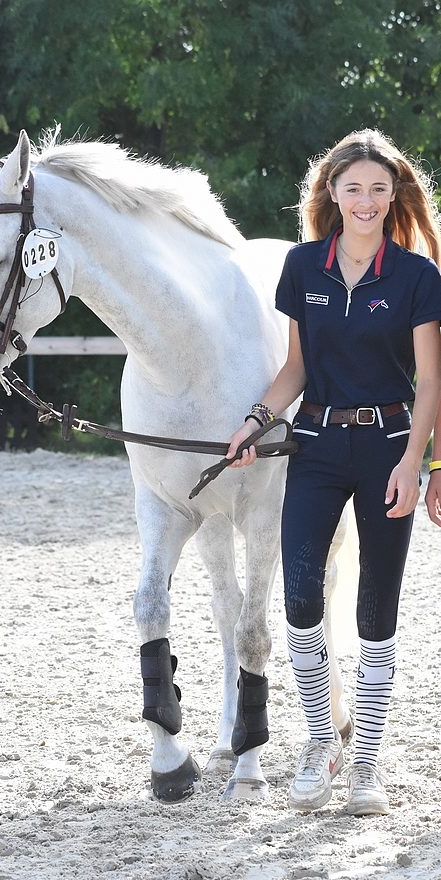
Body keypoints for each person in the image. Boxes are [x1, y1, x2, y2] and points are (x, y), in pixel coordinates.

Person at [226, 129, 441, 815]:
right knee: (298, 602)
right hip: (315, 446)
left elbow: (431, 381)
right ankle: (322, 742)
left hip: (388, 448)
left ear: (393, 195)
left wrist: (417, 463)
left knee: (375, 613)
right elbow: (295, 368)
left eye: (379, 188)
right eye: (353, 188)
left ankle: (366, 768)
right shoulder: (300, 267)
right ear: (332, 193)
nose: (366, 200)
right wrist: (254, 421)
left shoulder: (415, 276)